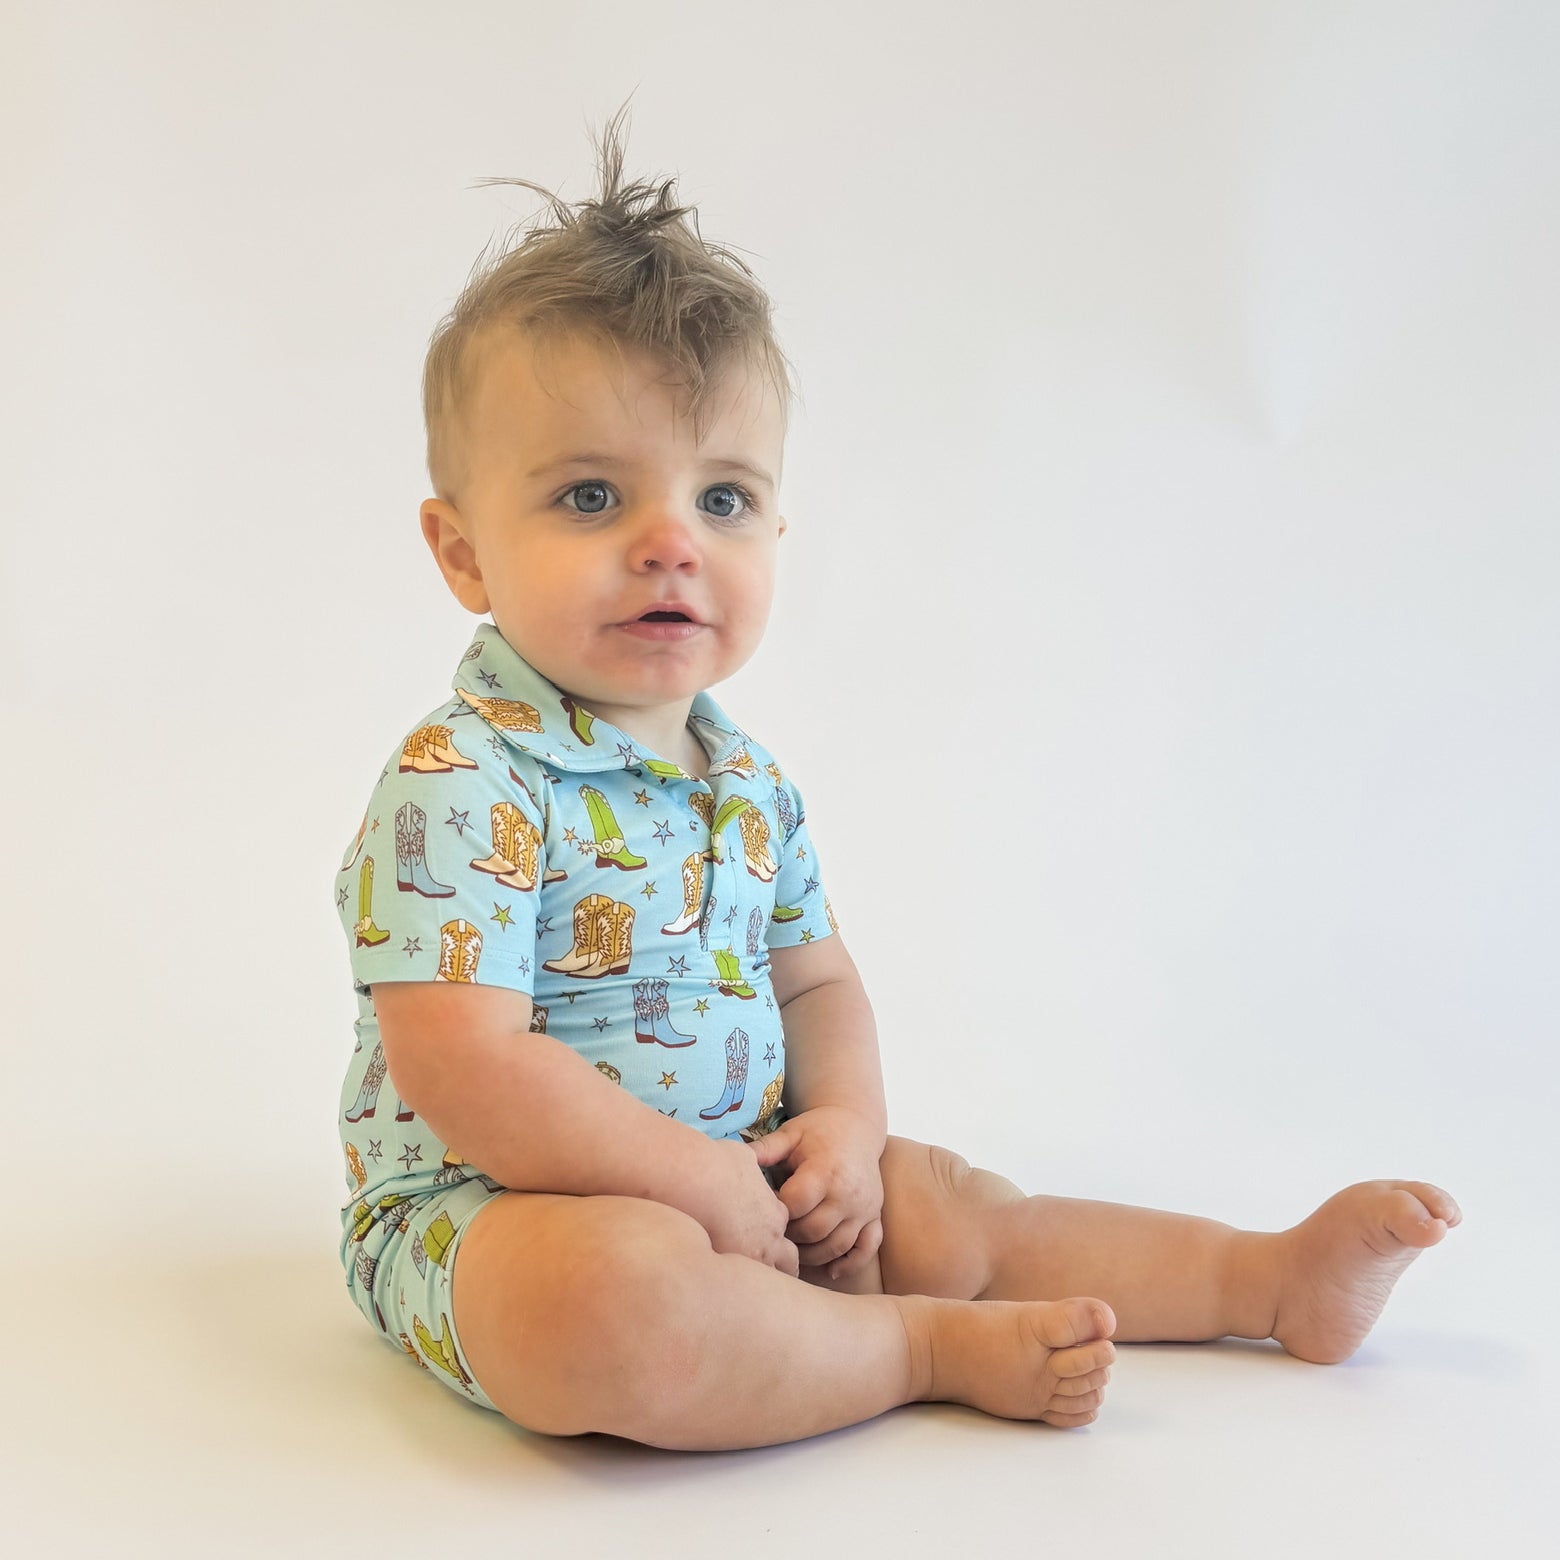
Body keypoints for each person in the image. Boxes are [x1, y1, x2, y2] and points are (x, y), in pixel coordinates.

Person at [332, 106, 1460, 1451]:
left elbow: (817, 983)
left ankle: (1262, 1279)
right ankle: (917, 1350)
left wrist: (845, 1136)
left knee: (945, 1203)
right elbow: (466, 1065)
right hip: (494, 1214)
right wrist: (687, 1183)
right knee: (610, 1302)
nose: (670, 543)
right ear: (462, 553)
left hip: (752, 1175)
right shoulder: (464, 775)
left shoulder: (746, 783)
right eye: (590, 496)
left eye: (723, 499)